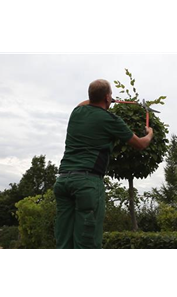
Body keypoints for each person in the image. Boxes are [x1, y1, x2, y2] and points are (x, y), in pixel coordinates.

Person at [53, 79, 154, 249]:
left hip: (63, 182)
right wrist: (149, 133)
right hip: (87, 183)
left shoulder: (76, 112)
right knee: (87, 243)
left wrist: (103, 99)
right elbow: (140, 144)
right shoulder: (110, 120)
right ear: (107, 97)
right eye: (111, 95)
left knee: (64, 242)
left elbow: (85, 102)